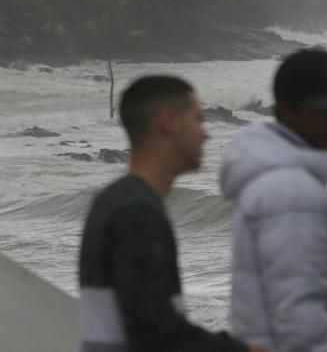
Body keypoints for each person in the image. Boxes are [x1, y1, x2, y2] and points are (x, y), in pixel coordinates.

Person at [78, 75, 261, 352]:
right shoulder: (136, 214)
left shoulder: (112, 202)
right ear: (167, 122)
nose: (206, 132)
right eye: (198, 119)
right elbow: (157, 335)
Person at [221, 48, 327, 352]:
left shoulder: (276, 179)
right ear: (287, 110)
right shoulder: (293, 192)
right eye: (323, 112)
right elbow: (299, 317)